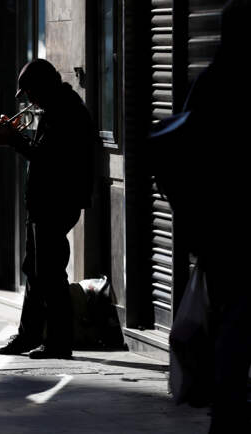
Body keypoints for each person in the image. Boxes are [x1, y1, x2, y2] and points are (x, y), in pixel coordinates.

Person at [158, 1, 250, 432]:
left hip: (220, 231)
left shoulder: (210, 82)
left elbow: (179, 152)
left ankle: (227, 410)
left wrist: (195, 222)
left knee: (231, 321)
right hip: (235, 227)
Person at [0, 59, 97, 359]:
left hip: (55, 203)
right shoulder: (55, 107)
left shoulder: (66, 111)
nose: (28, 100)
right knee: (36, 272)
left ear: (43, 86)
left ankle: (59, 343)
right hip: (42, 203)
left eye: (30, 92)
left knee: (50, 274)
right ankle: (29, 335)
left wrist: (15, 140)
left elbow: (50, 160)